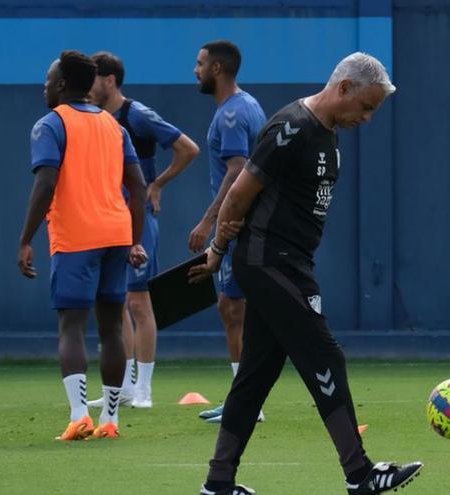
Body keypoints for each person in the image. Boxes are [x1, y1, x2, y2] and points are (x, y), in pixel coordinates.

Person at [188, 52, 423, 495]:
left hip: (290, 263)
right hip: (268, 262)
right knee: (325, 355)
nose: (368, 119)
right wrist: (218, 249)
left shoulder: (328, 133)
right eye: (366, 107)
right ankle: (360, 473)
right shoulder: (291, 127)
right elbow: (239, 193)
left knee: (255, 375)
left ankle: (218, 484)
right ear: (344, 88)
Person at [18, 50, 148, 441]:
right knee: (111, 326)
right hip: (116, 234)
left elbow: (45, 184)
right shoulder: (113, 125)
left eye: (47, 80)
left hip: (77, 236)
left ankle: (79, 415)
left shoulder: (50, 124)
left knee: (71, 326)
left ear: (60, 84)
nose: (44, 86)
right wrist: (135, 240)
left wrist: (26, 239)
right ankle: (110, 420)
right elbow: (138, 186)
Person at [86, 51, 200, 409]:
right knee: (113, 301)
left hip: (135, 218)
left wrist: (158, 184)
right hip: (106, 218)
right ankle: (124, 387)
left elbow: (187, 148)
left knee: (139, 300)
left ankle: (145, 389)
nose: (86, 88)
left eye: (92, 80)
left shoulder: (137, 115)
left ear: (109, 80)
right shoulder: (92, 119)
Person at [188, 40, 267, 424]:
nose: (195, 70)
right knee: (234, 307)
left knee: (233, 308)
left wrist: (209, 222)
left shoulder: (232, 115)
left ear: (217, 68)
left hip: (238, 224)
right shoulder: (247, 105)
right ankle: (246, 398)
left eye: (200, 64)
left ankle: (248, 404)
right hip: (250, 224)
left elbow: (237, 170)